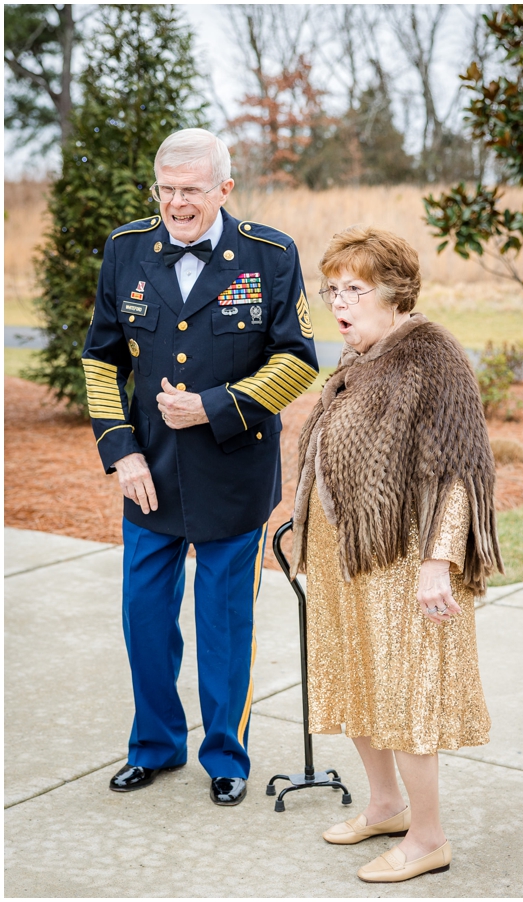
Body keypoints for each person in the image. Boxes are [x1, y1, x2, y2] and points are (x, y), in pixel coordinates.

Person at [83, 128, 318, 806]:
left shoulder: (270, 255)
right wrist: (120, 450)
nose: (178, 203)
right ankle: (155, 746)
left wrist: (215, 406)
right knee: (145, 618)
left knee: (223, 625)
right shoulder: (126, 250)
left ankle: (226, 755)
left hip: (232, 472)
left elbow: (297, 358)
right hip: (148, 473)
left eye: (192, 189)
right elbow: (102, 358)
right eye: (168, 189)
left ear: (224, 188)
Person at [289, 226, 501, 883]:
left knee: (406, 695)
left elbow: (462, 469)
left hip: (403, 560)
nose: (339, 302)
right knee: (356, 681)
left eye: (355, 288)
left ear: (395, 293)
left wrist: (439, 561)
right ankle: (384, 805)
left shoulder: (429, 354)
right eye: (332, 289)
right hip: (347, 558)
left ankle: (427, 837)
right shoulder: (360, 359)